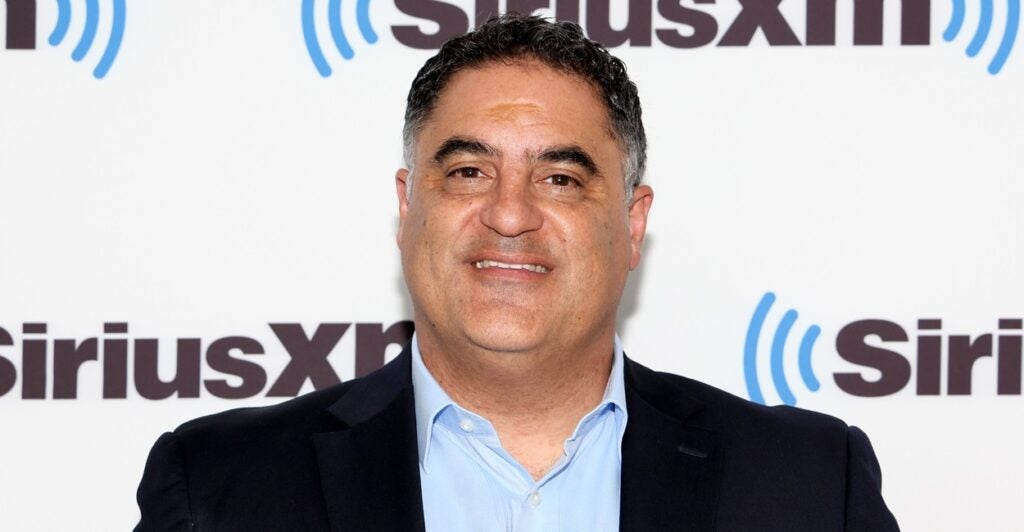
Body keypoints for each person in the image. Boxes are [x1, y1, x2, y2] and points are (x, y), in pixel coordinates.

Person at [134, 14, 899, 531]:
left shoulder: (807, 485)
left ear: (632, 224)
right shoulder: (219, 486)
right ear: (407, 208)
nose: (508, 214)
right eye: (468, 172)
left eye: (560, 179)